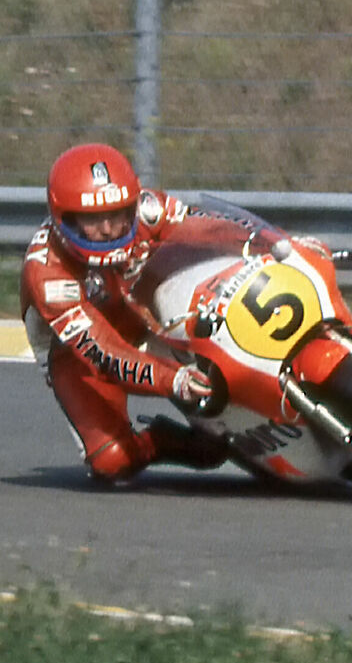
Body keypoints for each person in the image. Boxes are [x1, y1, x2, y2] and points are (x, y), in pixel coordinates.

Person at [21, 141, 235, 482]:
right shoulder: (48, 274)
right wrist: (172, 380)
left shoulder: (148, 208)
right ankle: (162, 442)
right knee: (112, 461)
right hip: (75, 354)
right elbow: (103, 352)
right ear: (66, 220)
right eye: (94, 219)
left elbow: (210, 226)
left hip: (142, 313)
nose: (108, 229)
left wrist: (276, 241)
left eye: (117, 214)